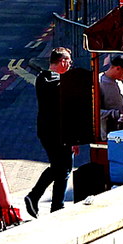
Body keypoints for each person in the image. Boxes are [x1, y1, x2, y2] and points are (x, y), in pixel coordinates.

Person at [24, 47, 76, 217]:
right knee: (63, 168)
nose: (70, 65)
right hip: (56, 133)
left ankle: (51, 204)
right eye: (69, 61)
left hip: (52, 132)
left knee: (61, 168)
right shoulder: (50, 79)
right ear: (62, 61)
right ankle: (41, 199)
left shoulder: (44, 78)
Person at [98, 54, 123, 140]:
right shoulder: (98, 82)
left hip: (122, 132)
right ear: (118, 68)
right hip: (107, 135)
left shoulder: (119, 83)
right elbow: (95, 112)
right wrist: (117, 114)